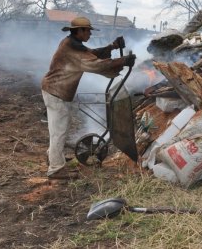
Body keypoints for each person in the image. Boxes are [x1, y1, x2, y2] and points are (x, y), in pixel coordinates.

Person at [41, 17, 136, 179]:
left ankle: (54, 157)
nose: (90, 33)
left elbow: (90, 54)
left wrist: (112, 47)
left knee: (58, 128)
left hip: (55, 90)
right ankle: (55, 169)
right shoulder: (73, 49)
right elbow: (95, 64)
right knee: (59, 131)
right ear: (79, 31)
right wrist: (123, 61)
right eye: (88, 30)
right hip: (56, 91)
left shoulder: (72, 44)